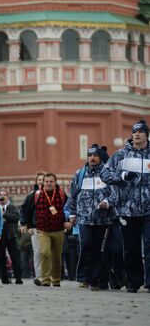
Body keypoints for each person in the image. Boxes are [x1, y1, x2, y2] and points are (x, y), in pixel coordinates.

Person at [101, 120, 150, 293]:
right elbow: (104, 174)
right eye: (134, 131)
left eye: (140, 131)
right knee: (131, 247)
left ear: (146, 134)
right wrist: (121, 176)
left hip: (149, 209)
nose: (136, 134)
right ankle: (133, 282)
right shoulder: (120, 155)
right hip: (128, 210)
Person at [65, 144, 113, 290]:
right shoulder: (80, 173)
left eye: (95, 155)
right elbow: (72, 196)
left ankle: (101, 279)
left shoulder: (107, 173)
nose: (92, 158)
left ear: (100, 157)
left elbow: (115, 193)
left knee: (100, 250)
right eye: (90, 156)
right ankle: (86, 278)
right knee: (86, 245)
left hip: (103, 219)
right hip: (84, 219)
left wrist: (107, 202)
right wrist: (72, 215)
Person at [33, 173, 67, 287]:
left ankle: (56, 280)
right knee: (44, 253)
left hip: (58, 229)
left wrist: (69, 221)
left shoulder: (61, 194)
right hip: (43, 230)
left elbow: (68, 208)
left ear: (55, 182)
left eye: (51, 181)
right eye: (46, 181)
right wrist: (27, 224)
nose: (48, 183)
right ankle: (46, 279)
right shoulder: (37, 194)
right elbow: (27, 209)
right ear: (43, 182)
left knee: (57, 256)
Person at [19, 171, 45, 280]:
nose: (41, 182)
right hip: (35, 227)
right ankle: (39, 276)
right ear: (36, 181)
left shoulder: (54, 194)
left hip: (51, 227)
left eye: (43, 180)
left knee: (48, 252)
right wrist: (25, 224)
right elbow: (23, 209)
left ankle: (49, 275)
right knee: (38, 252)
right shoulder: (32, 195)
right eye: (39, 180)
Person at [0, 189, 23, 284]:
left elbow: (16, 217)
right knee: (1, 257)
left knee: (15, 257)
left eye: (4, 195)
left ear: (7, 196)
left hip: (11, 235)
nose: (2, 197)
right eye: (0, 195)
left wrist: (4, 215)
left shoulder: (12, 207)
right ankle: (4, 278)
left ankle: (18, 278)